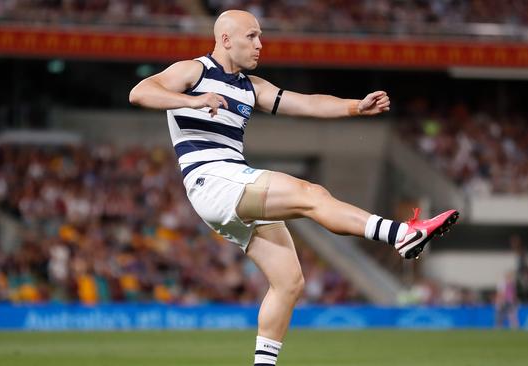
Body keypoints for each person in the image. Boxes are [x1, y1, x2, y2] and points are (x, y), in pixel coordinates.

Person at [130, 9, 459, 366]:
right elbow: (141, 92)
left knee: (289, 282)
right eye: (252, 36)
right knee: (311, 195)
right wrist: (193, 100)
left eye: (260, 37)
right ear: (226, 39)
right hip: (213, 179)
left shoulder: (251, 87)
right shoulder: (194, 71)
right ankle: (400, 234)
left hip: (229, 184)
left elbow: (306, 103)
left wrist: (355, 107)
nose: (260, 44)